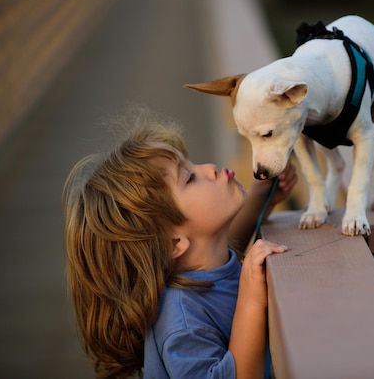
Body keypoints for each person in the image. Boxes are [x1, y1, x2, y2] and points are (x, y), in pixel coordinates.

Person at [62, 109, 297, 379]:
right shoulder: (183, 324)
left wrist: (259, 198)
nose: (209, 168)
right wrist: (251, 303)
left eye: (191, 164)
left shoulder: (202, 264)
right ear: (175, 243)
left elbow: (222, 248)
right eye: (189, 177)